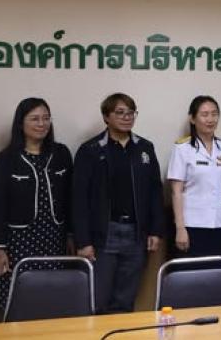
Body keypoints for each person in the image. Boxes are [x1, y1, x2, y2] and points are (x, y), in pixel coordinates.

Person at [73, 93, 165, 314]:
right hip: (104, 234)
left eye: (131, 113)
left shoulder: (144, 148)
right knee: (98, 300)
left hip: (136, 233)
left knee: (125, 300)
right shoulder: (91, 150)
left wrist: (156, 230)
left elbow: (155, 191)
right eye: (120, 112)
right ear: (106, 117)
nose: (127, 117)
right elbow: (79, 198)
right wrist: (83, 241)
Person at [0, 97, 74, 316]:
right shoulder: (7, 159)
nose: (41, 124)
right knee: (18, 300)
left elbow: (71, 198)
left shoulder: (61, 154)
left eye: (46, 118)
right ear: (21, 123)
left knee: (52, 299)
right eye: (35, 119)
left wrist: (72, 235)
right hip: (18, 242)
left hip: (54, 239)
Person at [167, 95, 221, 258]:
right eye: (204, 114)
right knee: (192, 270)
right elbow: (176, 191)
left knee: (218, 269)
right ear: (192, 119)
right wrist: (180, 228)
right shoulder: (182, 149)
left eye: (214, 114)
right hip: (192, 224)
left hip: (220, 222)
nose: (210, 119)